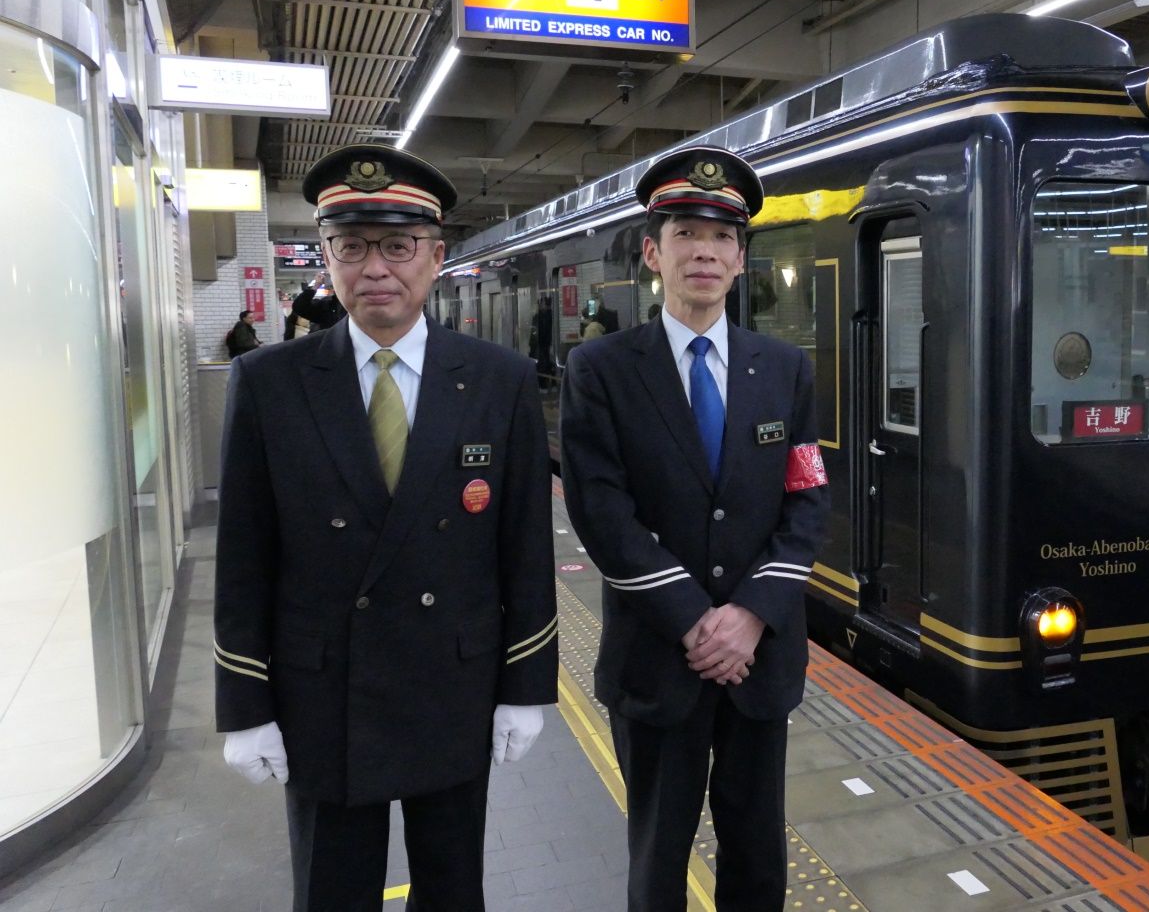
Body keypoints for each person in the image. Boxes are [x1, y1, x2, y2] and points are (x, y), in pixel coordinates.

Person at [214, 144, 558, 911]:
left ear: (435, 259)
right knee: (333, 893)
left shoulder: (497, 380)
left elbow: (526, 549)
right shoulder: (269, 383)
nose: (375, 268)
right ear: (326, 260)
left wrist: (525, 688)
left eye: (398, 246)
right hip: (324, 696)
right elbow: (243, 554)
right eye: (351, 246)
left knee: (451, 890)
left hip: (454, 688)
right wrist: (245, 705)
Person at [559, 146, 829, 911]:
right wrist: (696, 622)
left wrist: (748, 617)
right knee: (657, 857)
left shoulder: (786, 370)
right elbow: (601, 511)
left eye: (721, 238)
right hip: (656, 660)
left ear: (742, 259)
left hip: (760, 660)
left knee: (757, 853)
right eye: (685, 234)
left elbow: (807, 499)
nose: (704, 251)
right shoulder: (602, 369)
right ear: (653, 253)